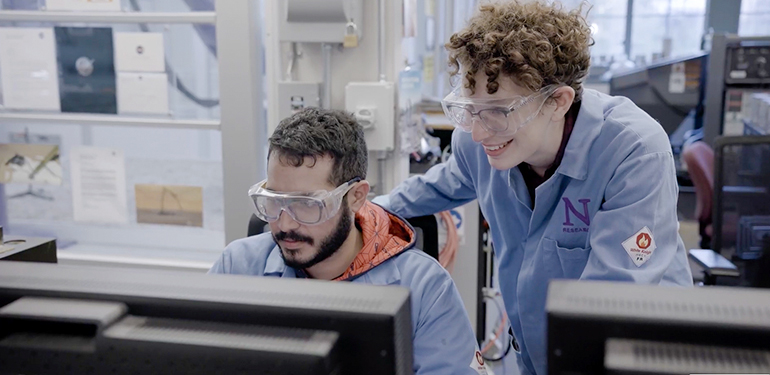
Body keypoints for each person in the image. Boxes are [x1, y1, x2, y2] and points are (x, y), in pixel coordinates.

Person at [373, 2, 693, 374]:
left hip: (630, 355)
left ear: (557, 102)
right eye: (470, 109)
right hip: (539, 356)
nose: (478, 132)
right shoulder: (478, 142)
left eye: (498, 111)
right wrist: (362, 208)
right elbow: (440, 185)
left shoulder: (632, 150)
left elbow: (610, 301)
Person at [209, 108, 487, 375]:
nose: (285, 224)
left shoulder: (425, 287)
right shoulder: (238, 266)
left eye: (307, 205)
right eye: (274, 202)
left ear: (356, 197)